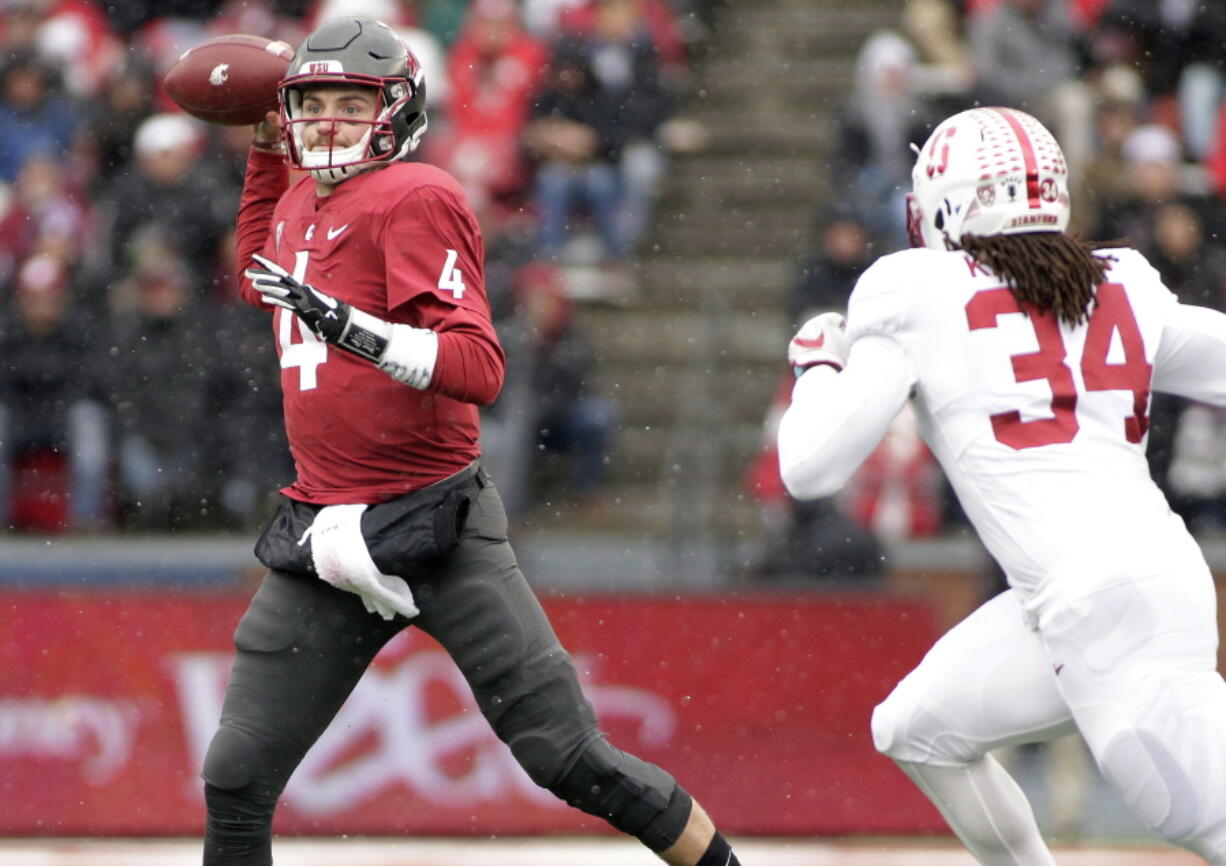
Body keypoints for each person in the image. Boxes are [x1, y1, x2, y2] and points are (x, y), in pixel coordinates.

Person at [202, 17, 740, 866]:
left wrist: (353, 328)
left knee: (569, 758)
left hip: (434, 521)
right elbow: (258, 269)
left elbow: (478, 365)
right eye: (312, 103)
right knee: (235, 774)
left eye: (352, 103)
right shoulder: (305, 195)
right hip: (326, 529)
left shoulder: (415, 195)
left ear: (397, 112)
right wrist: (267, 156)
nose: (329, 121)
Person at [778, 105, 1226, 864]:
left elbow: (808, 465)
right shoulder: (1124, 282)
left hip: (1098, 607)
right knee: (915, 728)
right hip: (1109, 592)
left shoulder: (913, 292)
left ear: (947, 203)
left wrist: (818, 365)